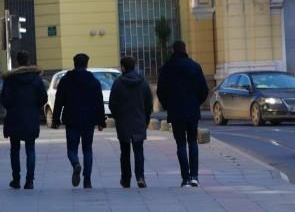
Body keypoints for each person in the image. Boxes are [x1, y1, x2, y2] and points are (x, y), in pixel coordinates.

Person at [157, 40, 210, 187]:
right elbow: (204, 90)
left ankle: (185, 177)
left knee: (180, 144)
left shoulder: (167, 68)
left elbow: (160, 91)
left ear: (173, 50)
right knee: (193, 142)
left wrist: (168, 105)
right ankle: (195, 176)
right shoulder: (194, 66)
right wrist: (196, 103)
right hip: (192, 111)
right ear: (185, 49)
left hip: (175, 111)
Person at [52, 53, 106, 189]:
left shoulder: (66, 80)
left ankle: (76, 163)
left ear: (74, 63)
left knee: (72, 149)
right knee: (87, 149)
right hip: (88, 120)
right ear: (86, 64)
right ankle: (87, 180)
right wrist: (101, 121)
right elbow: (99, 102)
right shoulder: (93, 81)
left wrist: (55, 120)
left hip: (71, 119)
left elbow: (59, 101)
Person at [0, 50, 45, 190]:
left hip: (14, 118)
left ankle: (16, 179)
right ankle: (30, 181)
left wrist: (13, 106)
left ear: (17, 62)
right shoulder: (36, 79)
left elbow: (5, 100)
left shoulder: (9, 79)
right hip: (31, 118)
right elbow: (43, 98)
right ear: (28, 61)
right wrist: (34, 107)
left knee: (14, 149)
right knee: (30, 149)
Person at [109, 55, 153, 189]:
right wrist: (145, 119)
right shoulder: (143, 82)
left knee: (125, 151)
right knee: (139, 150)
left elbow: (112, 104)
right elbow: (149, 103)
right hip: (139, 120)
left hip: (123, 121)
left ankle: (126, 179)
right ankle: (140, 177)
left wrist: (118, 117)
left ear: (123, 67)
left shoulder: (118, 83)